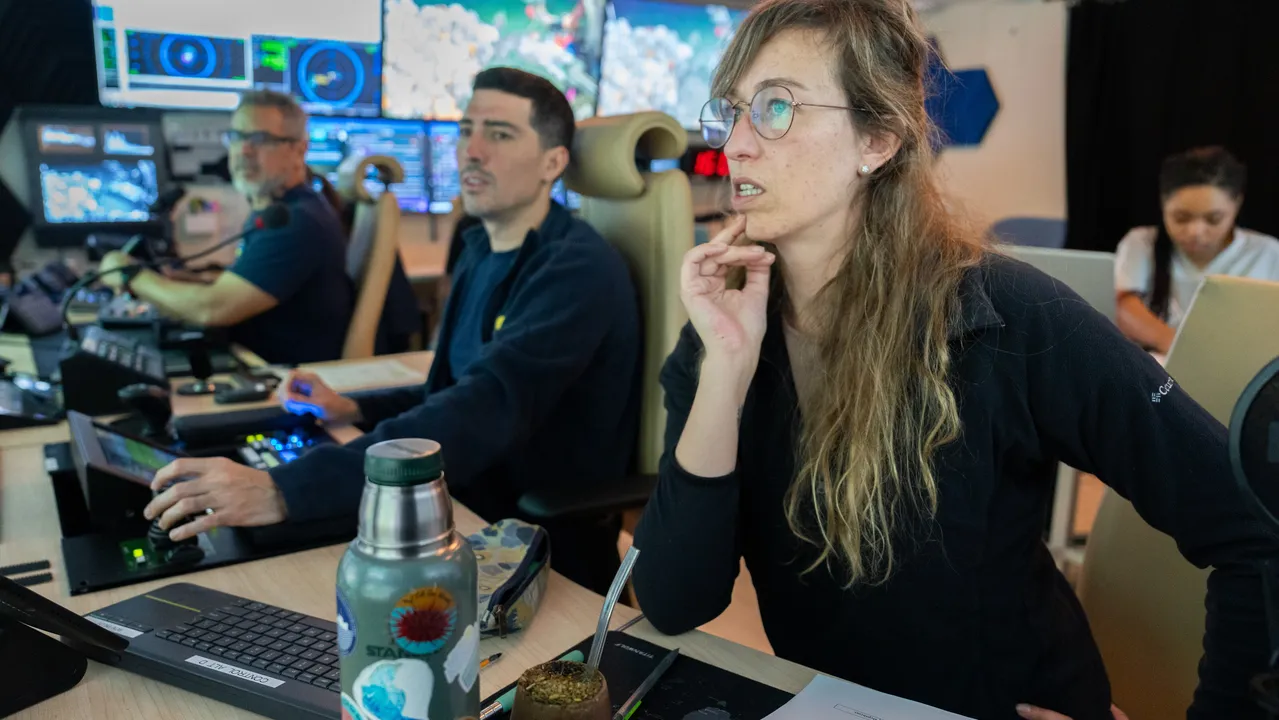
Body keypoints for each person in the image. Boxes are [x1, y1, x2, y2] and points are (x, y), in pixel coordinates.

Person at [629, 1, 1276, 719]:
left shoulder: (1008, 315)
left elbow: (1254, 531)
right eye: (731, 110)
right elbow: (674, 599)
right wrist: (724, 371)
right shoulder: (726, 328)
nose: (736, 144)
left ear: (877, 139)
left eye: (776, 107)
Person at [142, 68, 642, 596]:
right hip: (456, 503)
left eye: (499, 134)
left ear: (553, 163)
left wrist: (281, 490)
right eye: (465, 131)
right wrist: (355, 407)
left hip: (524, 545)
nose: (471, 151)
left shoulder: (575, 270)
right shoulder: (480, 248)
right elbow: (454, 386)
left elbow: (485, 407)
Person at [99, 90, 354, 365]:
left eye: (260, 139)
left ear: (299, 150)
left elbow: (211, 309)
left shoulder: (296, 222)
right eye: (236, 137)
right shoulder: (280, 209)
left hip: (279, 377)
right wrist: (180, 280)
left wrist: (130, 275)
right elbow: (243, 287)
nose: (243, 150)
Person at [1115, 146, 1279, 354]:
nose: (1196, 232)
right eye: (1181, 218)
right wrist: (1182, 350)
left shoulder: (1267, 254)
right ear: (1163, 204)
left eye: (1213, 219)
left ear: (1237, 205)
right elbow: (1124, 306)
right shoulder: (1142, 243)